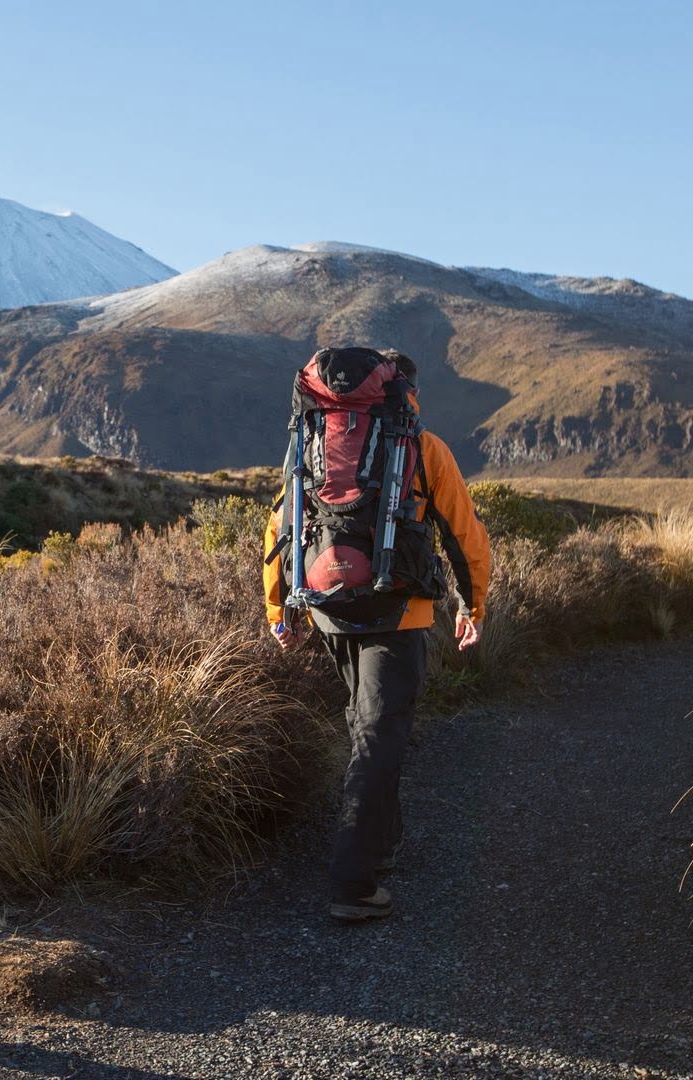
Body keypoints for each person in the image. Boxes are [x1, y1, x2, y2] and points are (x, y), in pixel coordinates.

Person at [261, 347, 491, 922]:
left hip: (327, 605)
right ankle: (354, 883)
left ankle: (379, 846)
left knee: (368, 725)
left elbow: (280, 524)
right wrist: (474, 604)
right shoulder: (420, 446)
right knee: (378, 737)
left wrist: (277, 610)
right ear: (403, 393)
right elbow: (463, 533)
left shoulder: (311, 442)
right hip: (400, 608)